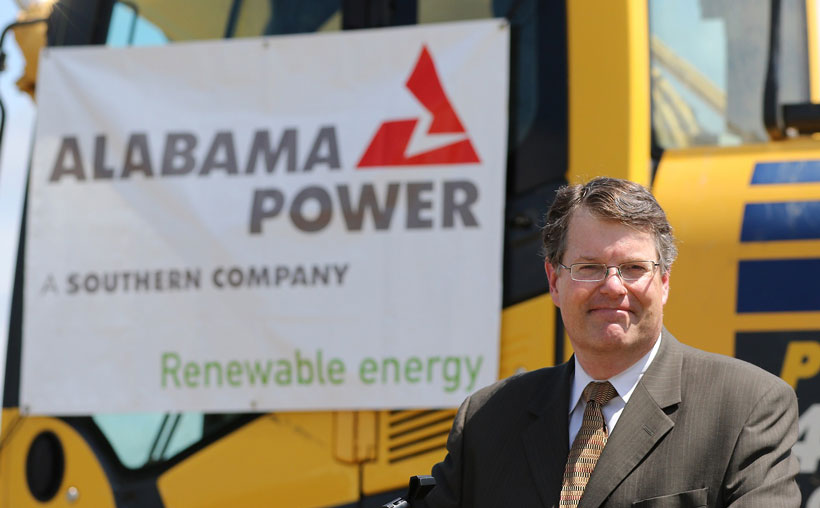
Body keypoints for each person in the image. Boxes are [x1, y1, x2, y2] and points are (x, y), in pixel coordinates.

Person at [419, 177, 800, 508]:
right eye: (589, 268)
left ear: (664, 282)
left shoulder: (747, 407)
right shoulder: (487, 419)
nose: (613, 287)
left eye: (634, 268)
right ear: (554, 281)